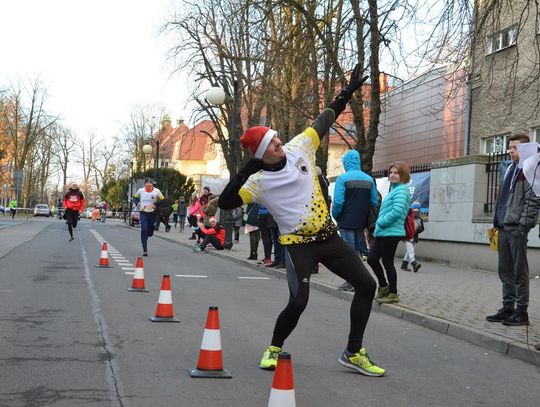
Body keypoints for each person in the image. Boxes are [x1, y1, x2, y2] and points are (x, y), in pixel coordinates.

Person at [218, 66, 385, 377]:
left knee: (366, 285)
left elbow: (325, 119)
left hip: (329, 238)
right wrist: (243, 171)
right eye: (272, 143)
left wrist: (346, 93)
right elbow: (226, 202)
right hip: (298, 246)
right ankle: (274, 347)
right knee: (299, 301)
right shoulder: (257, 183)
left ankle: (353, 351)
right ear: (259, 153)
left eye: (278, 138)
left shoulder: (300, 147)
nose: (279, 143)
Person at [486, 134, 540, 326]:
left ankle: (522, 311)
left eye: (515, 147)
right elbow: (502, 198)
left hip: (516, 228)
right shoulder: (509, 168)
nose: (510, 150)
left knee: (519, 271)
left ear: (526, 149)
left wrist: (523, 226)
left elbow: (533, 201)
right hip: (502, 227)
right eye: (510, 147)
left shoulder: (529, 171)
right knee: (505, 270)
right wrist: (495, 221)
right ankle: (508, 307)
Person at [332, 150, 378, 291]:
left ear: (346, 163)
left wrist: (336, 215)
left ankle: (352, 281)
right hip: (361, 221)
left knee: (348, 253)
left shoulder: (342, 179)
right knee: (358, 251)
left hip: (346, 220)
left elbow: (338, 202)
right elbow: (374, 202)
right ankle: (359, 279)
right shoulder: (369, 179)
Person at [368, 162, 411, 305]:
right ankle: (384, 286)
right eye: (391, 172)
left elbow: (398, 211)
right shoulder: (394, 189)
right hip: (384, 232)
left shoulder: (402, 190)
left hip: (391, 232)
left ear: (403, 175)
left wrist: (381, 221)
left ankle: (393, 293)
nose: (392, 175)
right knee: (372, 259)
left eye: (396, 173)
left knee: (388, 263)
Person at [132, 178, 164, 256]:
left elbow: (163, 200)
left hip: (153, 213)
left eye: (150, 183)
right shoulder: (140, 190)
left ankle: (149, 233)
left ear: (152, 185)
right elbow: (135, 198)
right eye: (147, 183)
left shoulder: (157, 191)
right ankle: (145, 248)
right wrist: (137, 203)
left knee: (149, 233)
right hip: (143, 213)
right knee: (144, 230)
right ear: (145, 184)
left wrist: (155, 205)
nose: (148, 184)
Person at [401, 202, 424, 272]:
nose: (416, 212)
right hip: (407, 237)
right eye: (414, 210)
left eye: (417, 210)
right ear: (412, 210)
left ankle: (404, 265)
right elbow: (404, 226)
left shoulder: (420, 220)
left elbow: (422, 228)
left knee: (409, 252)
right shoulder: (408, 218)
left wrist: (417, 230)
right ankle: (414, 264)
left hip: (414, 238)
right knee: (411, 252)